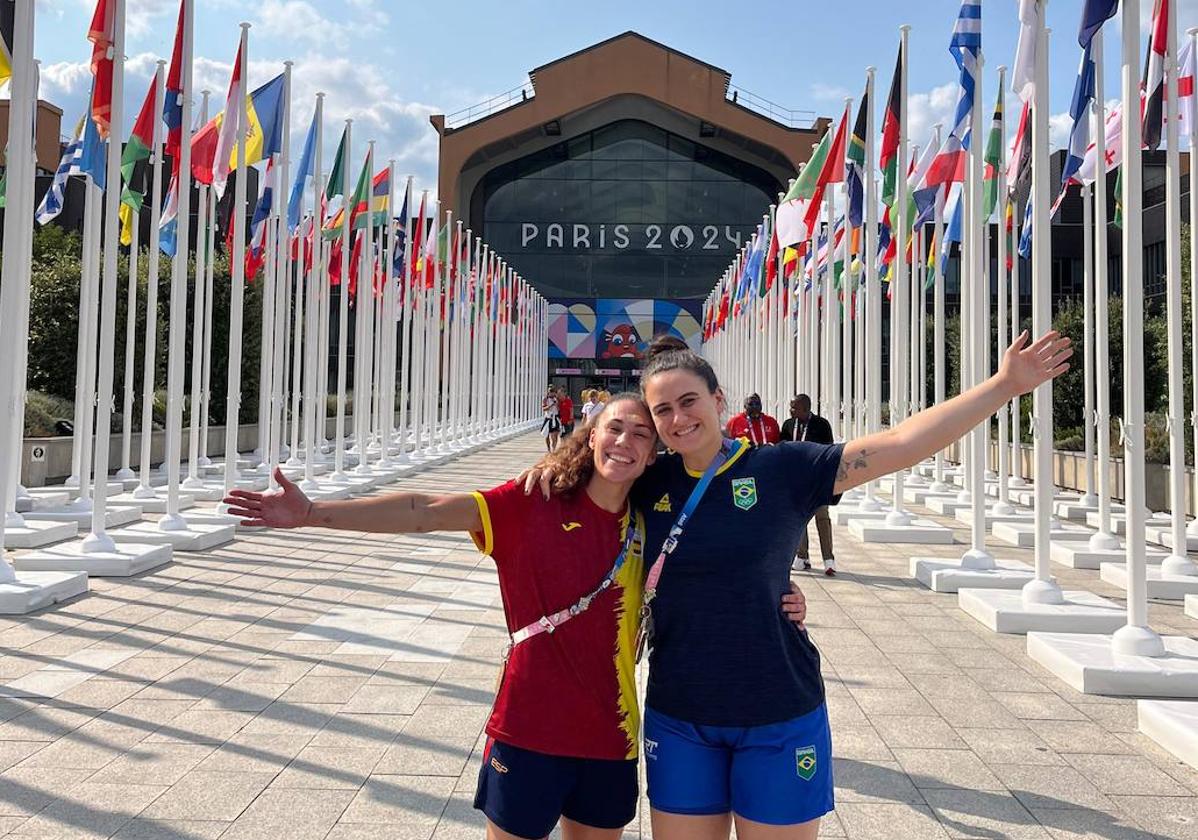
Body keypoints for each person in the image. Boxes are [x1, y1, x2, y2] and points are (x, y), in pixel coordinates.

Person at [525, 329, 1070, 839]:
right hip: (681, 716)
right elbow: (584, 481)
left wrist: (1003, 386)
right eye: (662, 410)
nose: (677, 418)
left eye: (688, 400)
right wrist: (550, 471)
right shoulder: (649, 482)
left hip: (778, 711)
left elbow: (900, 443)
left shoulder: (783, 468)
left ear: (719, 400)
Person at [223, 394, 811, 840]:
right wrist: (313, 513)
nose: (626, 442)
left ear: (654, 453)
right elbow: (423, 510)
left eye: (641, 434)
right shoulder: (531, 501)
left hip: (611, 735)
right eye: (615, 428)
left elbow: (722, 562)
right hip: (528, 730)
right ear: (590, 434)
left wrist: (781, 595)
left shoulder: (648, 522)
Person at [781, 395, 836, 575]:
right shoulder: (788, 425)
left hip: (817, 481)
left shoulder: (822, 425)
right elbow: (782, 449)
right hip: (795, 481)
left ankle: (829, 559)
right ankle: (802, 556)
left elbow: (829, 453)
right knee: (799, 519)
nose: (791, 411)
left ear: (805, 408)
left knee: (822, 518)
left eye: (794, 407)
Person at [541, 386, 561, 452]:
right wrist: (551, 405)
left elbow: (559, 409)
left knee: (555, 435)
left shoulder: (556, 399)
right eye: (550, 392)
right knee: (546, 435)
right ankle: (548, 448)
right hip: (548, 418)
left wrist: (557, 404)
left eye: (553, 392)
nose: (551, 394)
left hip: (555, 417)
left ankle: (554, 448)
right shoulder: (545, 399)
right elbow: (544, 408)